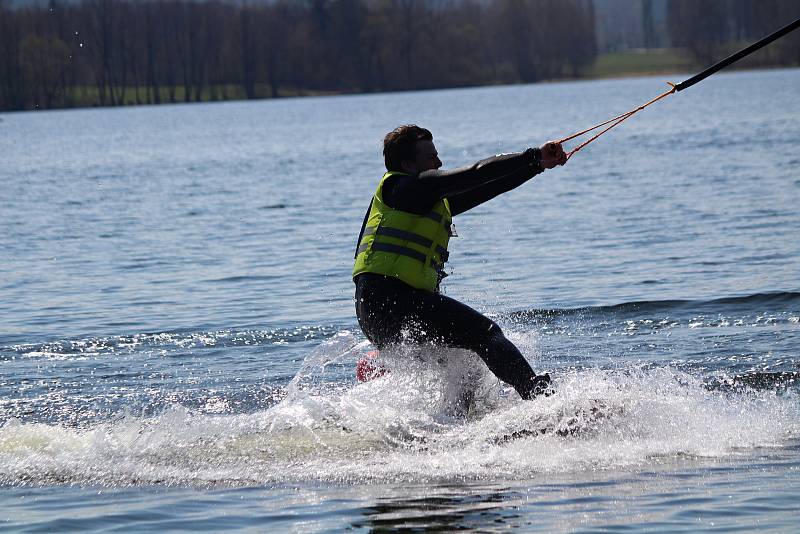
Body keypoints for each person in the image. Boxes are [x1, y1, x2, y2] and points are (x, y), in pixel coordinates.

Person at [353, 125, 567, 399]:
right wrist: (532, 155)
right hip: (392, 300)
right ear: (407, 164)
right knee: (485, 334)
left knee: (465, 359)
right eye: (431, 157)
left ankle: (457, 422)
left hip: (376, 312)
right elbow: (476, 172)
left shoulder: (423, 199)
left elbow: (488, 186)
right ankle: (539, 396)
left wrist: (537, 166)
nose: (439, 163)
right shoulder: (403, 188)